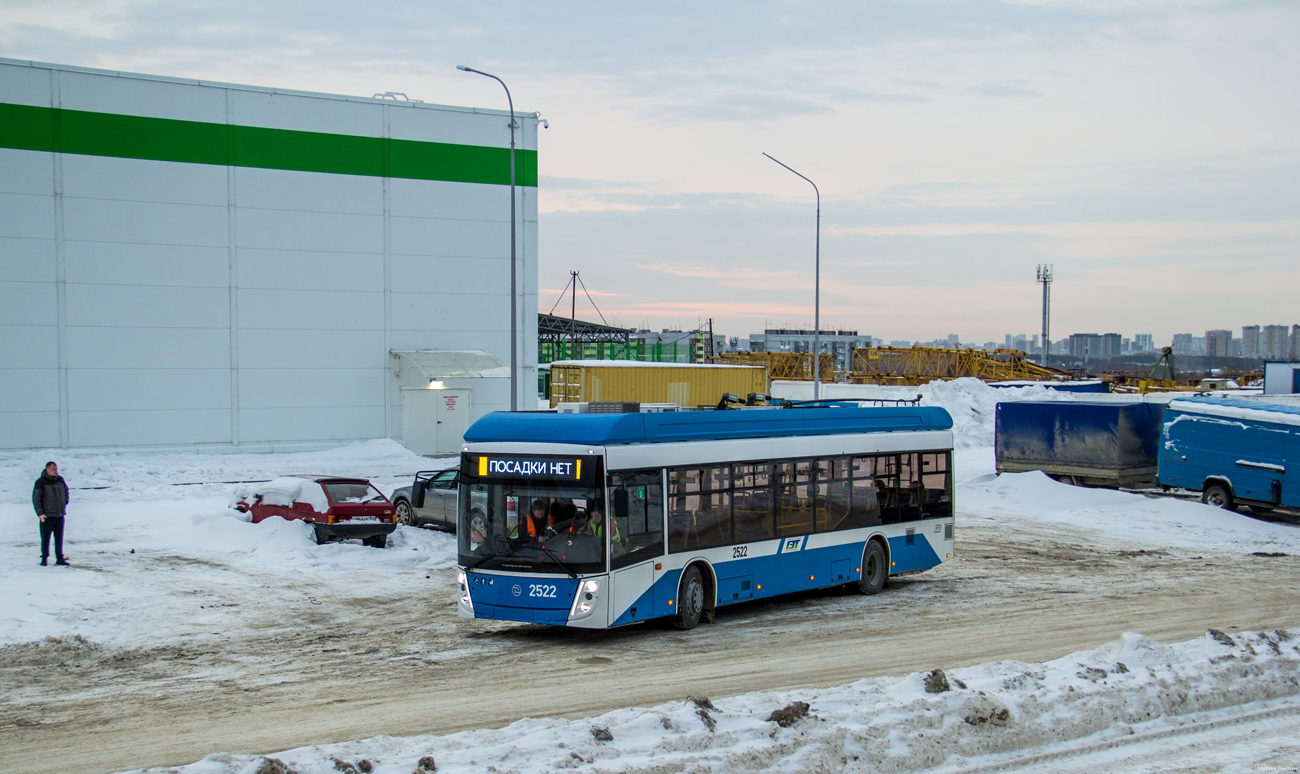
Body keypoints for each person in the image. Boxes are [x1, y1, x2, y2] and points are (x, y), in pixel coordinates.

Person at [32, 461, 69, 566]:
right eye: (53, 469)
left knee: (59, 537)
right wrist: (40, 513)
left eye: (56, 469)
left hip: (59, 514)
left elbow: (66, 491)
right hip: (47, 515)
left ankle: (60, 558)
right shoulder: (40, 482)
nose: (55, 471)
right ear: (47, 469)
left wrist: (64, 502)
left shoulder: (60, 479)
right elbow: (36, 499)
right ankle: (44, 559)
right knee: (45, 538)